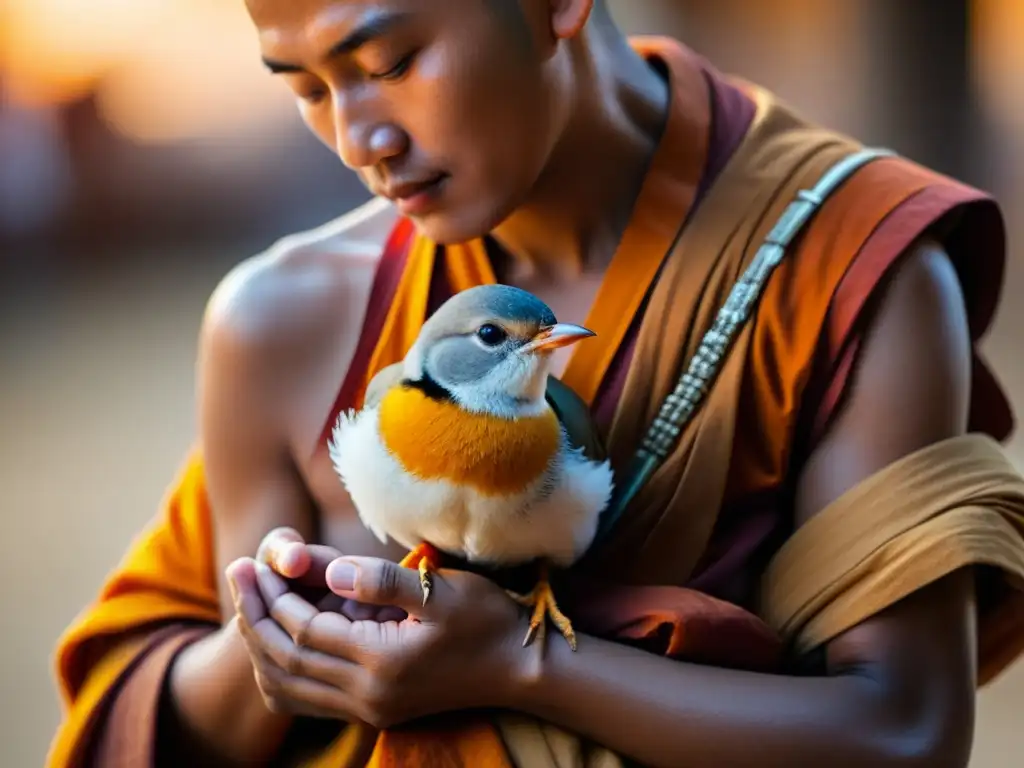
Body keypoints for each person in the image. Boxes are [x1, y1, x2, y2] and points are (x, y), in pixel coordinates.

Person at [48, 1, 1024, 767]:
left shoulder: (843, 264)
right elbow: (193, 717)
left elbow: (903, 732)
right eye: (306, 88)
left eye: (389, 64)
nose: (357, 139)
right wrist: (284, 651)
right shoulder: (282, 317)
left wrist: (521, 666)